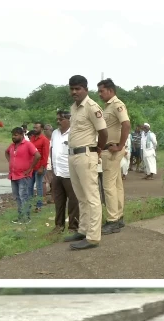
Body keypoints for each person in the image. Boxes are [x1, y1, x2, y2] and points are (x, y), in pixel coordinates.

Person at [64, 74, 107, 250]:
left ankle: (93, 237)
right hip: (73, 155)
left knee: (92, 197)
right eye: (72, 89)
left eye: (78, 88)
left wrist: (98, 149)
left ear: (85, 90)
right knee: (80, 196)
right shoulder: (74, 108)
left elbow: (103, 132)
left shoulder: (92, 107)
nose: (74, 92)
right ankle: (83, 230)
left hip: (86, 155)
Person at [97, 78, 131, 234]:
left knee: (108, 186)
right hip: (110, 149)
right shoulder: (108, 106)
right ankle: (118, 216)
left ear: (110, 91)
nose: (99, 94)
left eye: (101, 91)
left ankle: (112, 220)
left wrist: (120, 145)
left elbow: (126, 124)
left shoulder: (117, 105)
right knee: (116, 185)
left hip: (112, 150)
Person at [49, 111, 80, 234]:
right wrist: (51, 168)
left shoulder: (74, 133)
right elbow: (52, 150)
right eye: (57, 119)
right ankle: (59, 226)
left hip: (70, 173)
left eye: (61, 119)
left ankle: (73, 227)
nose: (58, 121)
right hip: (57, 173)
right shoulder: (55, 133)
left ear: (69, 120)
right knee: (58, 201)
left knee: (73, 201)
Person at [4, 126, 40, 225]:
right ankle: (20, 217)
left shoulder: (28, 145)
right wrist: (10, 162)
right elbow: (6, 153)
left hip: (23, 176)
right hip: (13, 175)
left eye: (16, 135)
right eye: (12, 135)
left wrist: (30, 168)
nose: (13, 137)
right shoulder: (12, 146)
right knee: (17, 197)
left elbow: (37, 156)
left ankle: (26, 217)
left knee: (23, 196)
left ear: (21, 135)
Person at [28, 123, 50, 212]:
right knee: (29, 186)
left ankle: (39, 205)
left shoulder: (44, 140)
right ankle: (28, 205)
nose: (35, 129)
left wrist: (42, 167)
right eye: (34, 127)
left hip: (39, 167)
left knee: (39, 187)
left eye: (36, 127)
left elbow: (45, 155)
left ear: (41, 128)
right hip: (32, 167)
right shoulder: (32, 139)